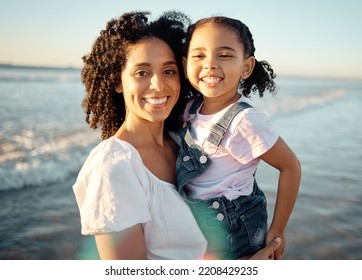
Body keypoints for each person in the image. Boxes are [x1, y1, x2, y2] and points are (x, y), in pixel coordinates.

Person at [73, 10, 282, 260]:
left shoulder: (187, 139)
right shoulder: (113, 168)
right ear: (118, 81)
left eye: (169, 71)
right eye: (142, 72)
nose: (159, 85)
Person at [176, 16, 301, 260]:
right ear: (185, 64)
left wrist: (278, 229)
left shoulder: (246, 121)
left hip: (235, 233)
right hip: (198, 229)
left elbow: (290, 167)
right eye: (199, 55)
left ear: (246, 67)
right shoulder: (190, 109)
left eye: (224, 55)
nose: (210, 64)